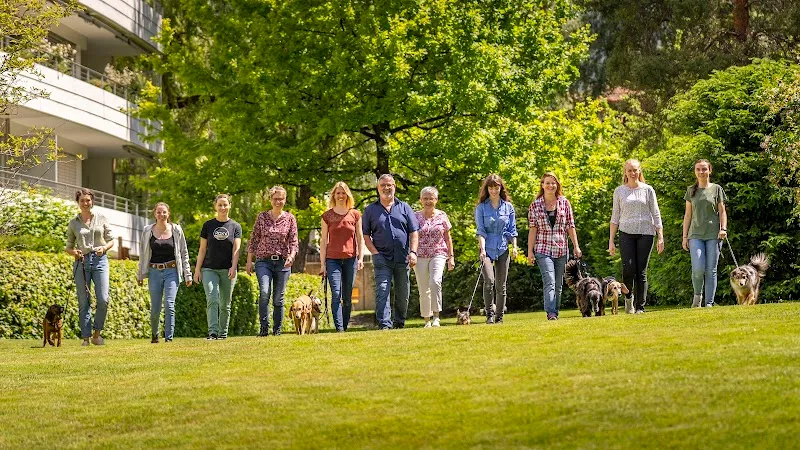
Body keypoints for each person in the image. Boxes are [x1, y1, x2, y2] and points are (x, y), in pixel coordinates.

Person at [362, 174, 419, 329]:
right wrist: (375, 253)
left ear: (394, 187)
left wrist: (413, 252)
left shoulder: (405, 207)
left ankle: (399, 322)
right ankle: (385, 324)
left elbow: (414, 232)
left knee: (403, 293)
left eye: (390, 185)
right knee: (382, 290)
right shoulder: (370, 210)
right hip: (382, 259)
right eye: (383, 185)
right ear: (378, 188)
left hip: (403, 258)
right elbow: (366, 236)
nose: (387, 188)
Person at [609, 159, 664, 314]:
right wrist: (611, 240)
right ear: (625, 172)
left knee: (641, 271)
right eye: (630, 170)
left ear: (640, 171)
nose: (633, 173)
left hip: (646, 233)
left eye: (635, 170)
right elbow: (615, 217)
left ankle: (640, 306)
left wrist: (660, 236)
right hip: (626, 233)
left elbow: (656, 213)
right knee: (628, 270)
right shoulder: (619, 191)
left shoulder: (648, 190)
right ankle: (629, 300)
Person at [527, 172, 582, 321]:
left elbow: (570, 226)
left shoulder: (564, 203)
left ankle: (555, 312)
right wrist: (530, 252)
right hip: (542, 249)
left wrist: (576, 246)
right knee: (549, 281)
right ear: (542, 185)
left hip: (561, 249)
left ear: (557, 185)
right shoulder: (535, 205)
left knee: (558, 285)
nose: (551, 185)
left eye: (553, 183)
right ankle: (551, 313)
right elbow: (533, 229)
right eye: (547, 183)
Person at [246, 186, 298, 337]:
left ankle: (277, 329)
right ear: (270, 200)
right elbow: (254, 239)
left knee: (278, 298)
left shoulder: (290, 218)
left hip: (283, 262)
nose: (278, 202)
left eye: (281, 199)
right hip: (263, 261)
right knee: (264, 292)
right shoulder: (262, 217)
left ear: (285, 200)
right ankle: (263, 328)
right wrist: (249, 261)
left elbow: (294, 241)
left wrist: (292, 255)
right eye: (275, 199)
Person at [137, 202, 192, 343]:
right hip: (154, 271)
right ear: (154, 214)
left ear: (169, 214)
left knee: (169, 304)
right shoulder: (147, 231)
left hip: (172, 271)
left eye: (164, 212)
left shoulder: (177, 230)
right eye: (158, 212)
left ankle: (169, 338)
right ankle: (155, 335)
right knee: (155, 308)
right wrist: (140, 274)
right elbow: (143, 254)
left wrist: (187, 274)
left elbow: (184, 253)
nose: (161, 215)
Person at [65, 188, 114, 346]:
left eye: (88, 200)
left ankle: (96, 334)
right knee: (83, 301)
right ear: (78, 203)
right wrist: (74, 252)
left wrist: (104, 248)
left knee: (103, 299)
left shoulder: (102, 218)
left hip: (100, 261)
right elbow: (68, 246)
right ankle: (85, 338)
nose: (85, 203)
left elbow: (111, 240)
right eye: (82, 201)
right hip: (81, 262)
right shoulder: (73, 223)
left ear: (92, 201)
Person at [194, 194, 242, 340]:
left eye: (225, 204)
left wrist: (234, 267)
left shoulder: (235, 226)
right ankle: (213, 332)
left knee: (225, 304)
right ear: (215, 206)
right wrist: (197, 269)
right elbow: (202, 249)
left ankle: (223, 333)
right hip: (209, 269)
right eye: (220, 205)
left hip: (228, 269)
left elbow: (236, 249)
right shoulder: (208, 225)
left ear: (230, 206)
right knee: (212, 298)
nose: (222, 207)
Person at [682, 159, 727, 308]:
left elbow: (722, 211)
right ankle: (697, 297)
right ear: (695, 172)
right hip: (695, 235)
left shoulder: (717, 189)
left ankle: (709, 303)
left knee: (711, 270)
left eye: (704, 169)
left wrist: (723, 229)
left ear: (710, 170)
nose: (701, 172)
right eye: (698, 169)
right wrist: (684, 237)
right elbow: (687, 215)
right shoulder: (691, 190)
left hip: (714, 235)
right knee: (698, 268)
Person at [319, 182, 364, 332]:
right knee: (336, 294)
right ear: (334, 195)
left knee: (347, 295)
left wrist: (360, 258)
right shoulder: (327, 216)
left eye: (343, 193)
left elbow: (359, 237)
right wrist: (322, 264)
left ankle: (344, 325)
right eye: (337, 193)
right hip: (332, 260)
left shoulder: (355, 214)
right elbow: (323, 240)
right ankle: (339, 329)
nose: (340, 196)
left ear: (347, 195)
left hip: (351, 259)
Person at [475, 174, 518, 324]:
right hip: (487, 249)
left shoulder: (508, 207)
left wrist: (515, 247)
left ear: (501, 188)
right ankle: (489, 316)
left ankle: (499, 317)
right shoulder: (481, 208)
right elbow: (480, 231)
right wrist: (482, 250)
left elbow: (512, 231)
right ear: (487, 189)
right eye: (491, 187)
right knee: (489, 281)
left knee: (501, 285)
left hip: (503, 248)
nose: (494, 190)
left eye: (496, 187)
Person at [413, 187, 455, 328]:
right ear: (421, 200)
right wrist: (411, 253)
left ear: (436, 200)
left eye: (431, 198)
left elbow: (448, 238)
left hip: (439, 253)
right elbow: (411, 237)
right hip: (420, 255)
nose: (428, 201)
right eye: (425, 198)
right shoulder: (415, 216)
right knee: (423, 287)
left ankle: (436, 316)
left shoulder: (442, 215)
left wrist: (451, 257)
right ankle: (427, 320)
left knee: (435, 281)